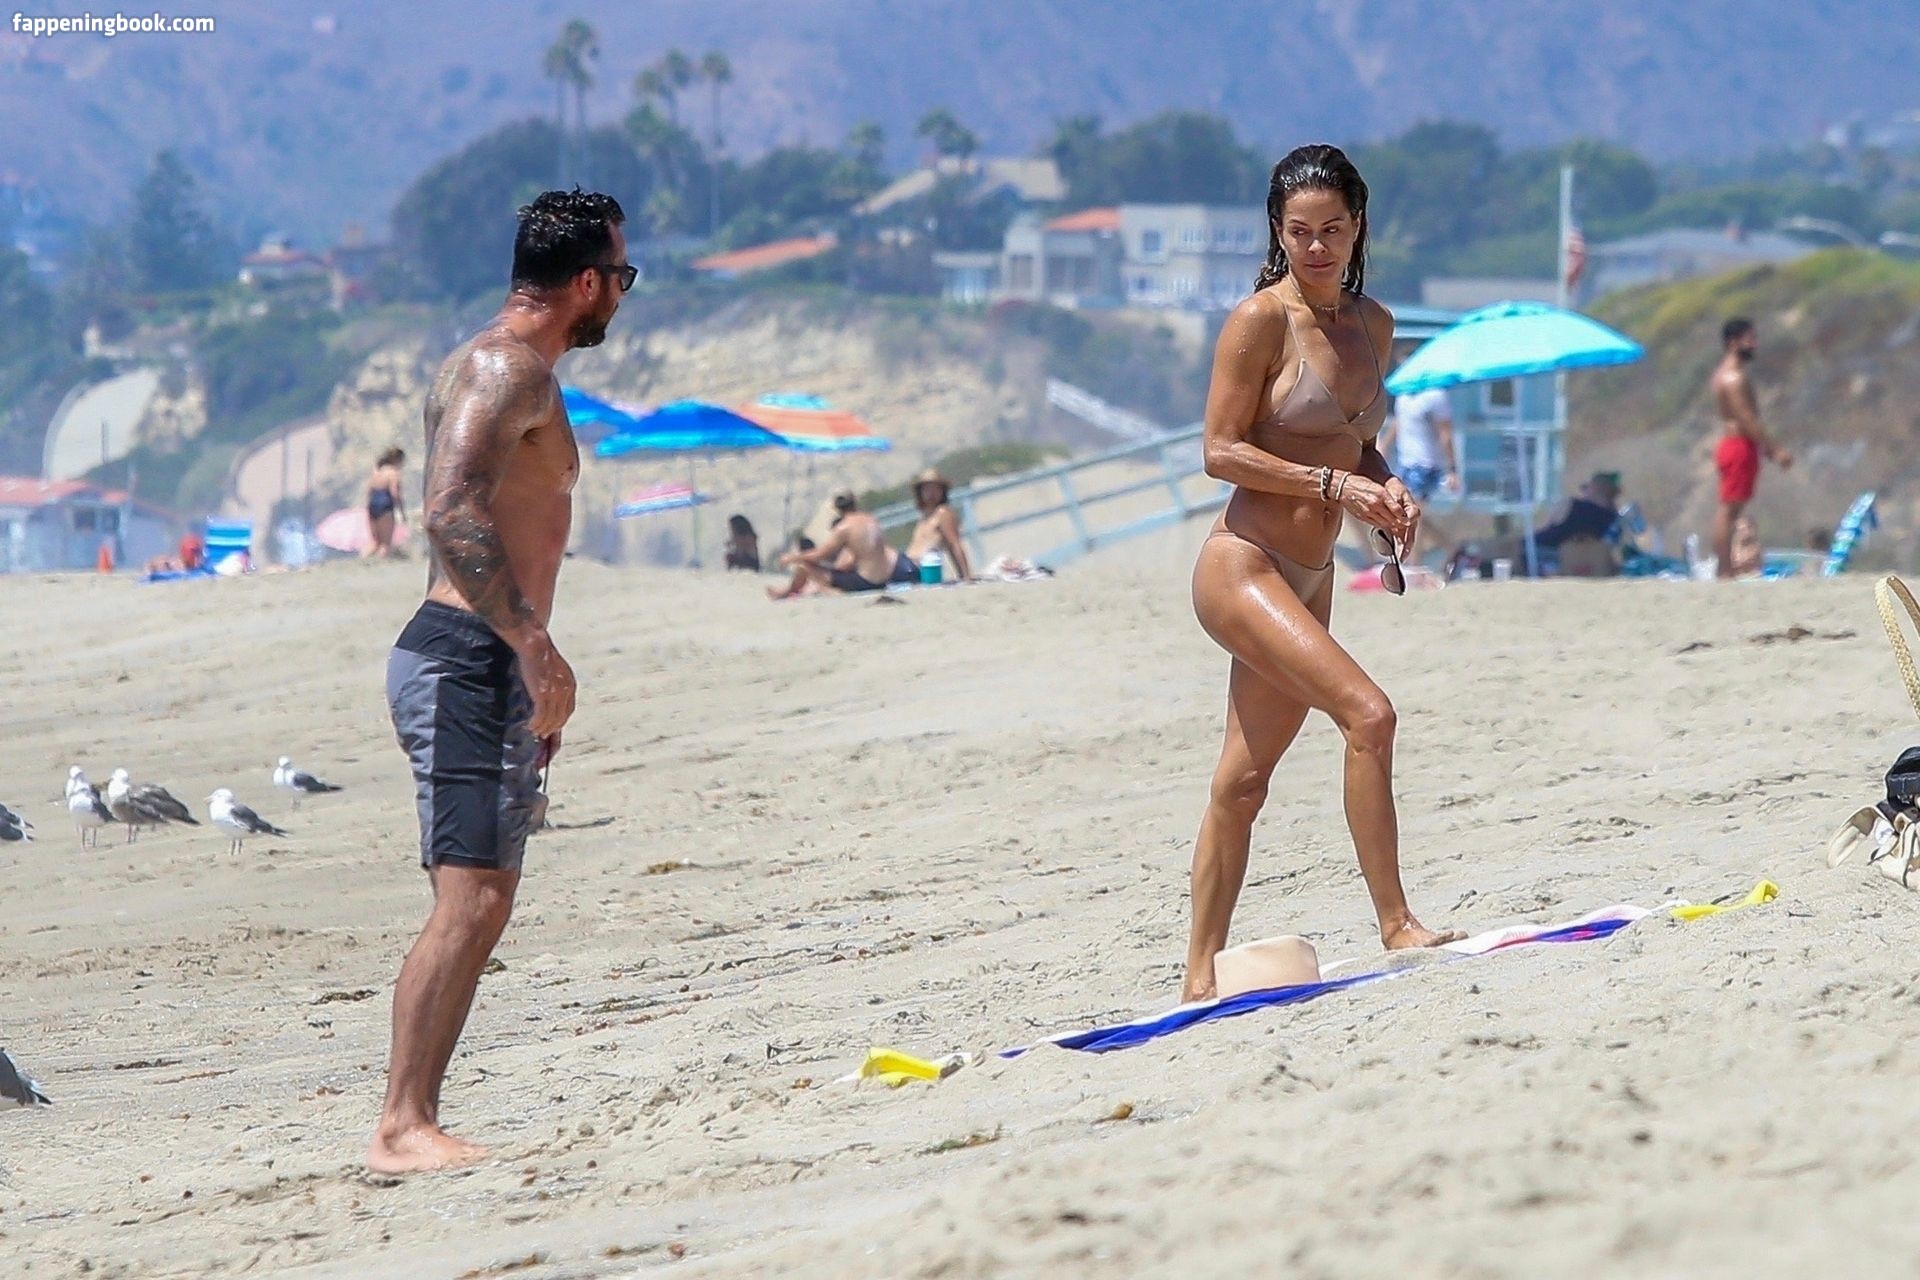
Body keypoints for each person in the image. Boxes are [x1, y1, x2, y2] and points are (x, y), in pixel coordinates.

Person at [370, 188, 631, 1175]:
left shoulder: (520, 372)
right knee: (469, 899)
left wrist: (530, 669)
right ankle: (401, 1125)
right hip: (466, 655)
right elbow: (451, 509)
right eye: (624, 275)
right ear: (586, 282)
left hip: (486, 662)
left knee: (482, 898)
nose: (624, 293)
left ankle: (413, 1117)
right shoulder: (501, 367)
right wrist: (530, 647)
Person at [1183, 144, 1462, 1003]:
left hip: (1312, 574)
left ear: (1358, 228)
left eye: (1332, 230)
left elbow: (1355, 441)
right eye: (1299, 231)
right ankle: (1397, 923)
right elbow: (1219, 451)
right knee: (1369, 715)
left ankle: (1199, 975)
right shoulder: (1259, 321)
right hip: (1243, 567)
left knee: (1244, 780)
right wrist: (1336, 487)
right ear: (1278, 230)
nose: (1315, 247)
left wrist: (1386, 483)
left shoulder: (1374, 325)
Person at [1711, 318, 1791, 580]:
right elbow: (1746, 418)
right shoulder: (1733, 377)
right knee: (1729, 509)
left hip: (1740, 444)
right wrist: (1775, 449)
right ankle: (1724, 570)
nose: (1754, 344)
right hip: (1737, 445)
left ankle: (1725, 568)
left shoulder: (1728, 374)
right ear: (1733, 342)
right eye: (1749, 339)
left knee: (1733, 508)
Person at [773, 492, 915, 596]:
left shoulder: (845, 527)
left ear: (838, 509)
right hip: (886, 578)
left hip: (866, 581)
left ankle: (786, 593)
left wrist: (792, 558)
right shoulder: (871, 519)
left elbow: (821, 555)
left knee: (805, 566)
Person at [1380, 371, 1458, 503]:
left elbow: (1445, 434)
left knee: (1410, 509)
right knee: (1404, 508)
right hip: (1405, 462)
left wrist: (1451, 469)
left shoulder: (1435, 395)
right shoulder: (1403, 394)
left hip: (1426, 465)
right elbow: (1399, 422)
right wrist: (1384, 444)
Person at [1533, 471, 1624, 576]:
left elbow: (1552, 521)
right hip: (1583, 562)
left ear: (1595, 489)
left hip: (1542, 551)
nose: (1583, 492)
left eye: (1586, 488)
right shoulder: (1614, 521)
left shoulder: (1571, 504)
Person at [904, 468, 972, 582]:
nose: (931, 493)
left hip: (921, 567)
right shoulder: (925, 516)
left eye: (936, 488)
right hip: (911, 565)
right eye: (927, 489)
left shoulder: (943, 513)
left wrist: (965, 575)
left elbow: (954, 544)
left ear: (942, 491)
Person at [364, 447, 407, 559]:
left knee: (375, 543)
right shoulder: (393, 473)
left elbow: (369, 491)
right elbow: (395, 493)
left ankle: (363, 560)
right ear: (397, 459)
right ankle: (380, 566)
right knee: (385, 545)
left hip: (372, 505)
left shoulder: (377, 471)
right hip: (385, 506)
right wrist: (401, 511)